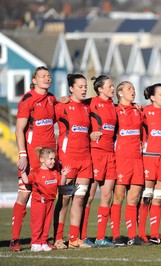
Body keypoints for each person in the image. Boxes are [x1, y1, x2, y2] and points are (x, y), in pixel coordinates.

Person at [10, 66, 57, 252]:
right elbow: (18, 129)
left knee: (48, 196)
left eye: (48, 76)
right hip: (31, 156)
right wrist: (23, 155)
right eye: (42, 76)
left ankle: (42, 240)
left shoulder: (52, 99)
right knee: (24, 194)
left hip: (49, 157)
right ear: (34, 80)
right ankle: (15, 238)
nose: (47, 78)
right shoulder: (27, 99)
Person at [53, 74, 93, 249]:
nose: (84, 89)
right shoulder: (61, 106)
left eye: (85, 86)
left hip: (85, 160)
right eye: (80, 86)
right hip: (68, 159)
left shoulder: (87, 107)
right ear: (71, 88)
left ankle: (74, 238)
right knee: (65, 199)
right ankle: (58, 238)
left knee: (79, 199)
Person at [110, 81, 147, 246]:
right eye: (128, 88)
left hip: (137, 159)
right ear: (119, 93)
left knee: (133, 198)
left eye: (133, 88)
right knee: (118, 197)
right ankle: (116, 235)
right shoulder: (115, 110)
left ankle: (133, 236)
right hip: (122, 160)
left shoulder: (139, 110)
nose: (133, 91)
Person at [84, 75, 117, 247]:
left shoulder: (113, 105)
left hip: (110, 154)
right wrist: (89, 135)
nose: (113, 88)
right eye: (110, 86)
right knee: (89, 196)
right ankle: (82, 236)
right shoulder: (90, 102)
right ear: (100, 89)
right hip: (95, 153)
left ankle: (100, 237)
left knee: (107, 196)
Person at [138, 83, 161, 245]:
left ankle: (155, 233)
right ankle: (141, 233)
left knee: (158, 198)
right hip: (149, 158)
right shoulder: (144, 111)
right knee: (146, 196)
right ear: (152, 97)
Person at [20, 147, 69, 252]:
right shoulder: (36, 172)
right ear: (42, 159)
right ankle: (35, 243)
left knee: (47, 223)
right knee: (38, 223)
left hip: (50, 202)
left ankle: (43, 241)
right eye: (50, 159)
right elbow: (27, 180)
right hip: (39, 202)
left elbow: (62, 183)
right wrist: (22, 171)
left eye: (54, 159)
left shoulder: (55, 172)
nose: (53, 161)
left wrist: (64, 175)